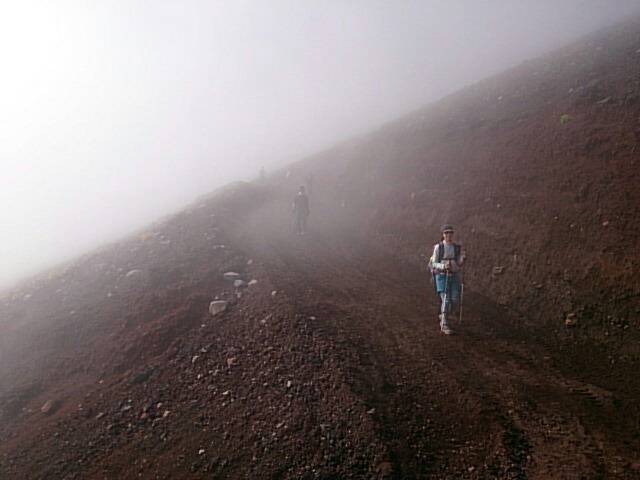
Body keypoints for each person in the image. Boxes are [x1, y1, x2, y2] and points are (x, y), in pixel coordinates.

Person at [429, 224, 465, 335]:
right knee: (446, 299)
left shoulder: (456, 247)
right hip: (441, 275)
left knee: (454, 299)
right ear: (443, 234)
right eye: (446, 233)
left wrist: (462, 259)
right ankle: (444, 324)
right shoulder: (438, 248)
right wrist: (443, 267)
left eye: (450, 233)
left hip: (454, 275)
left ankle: (444, 314)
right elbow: (433, 263)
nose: (448, 235)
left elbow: (458, 262)